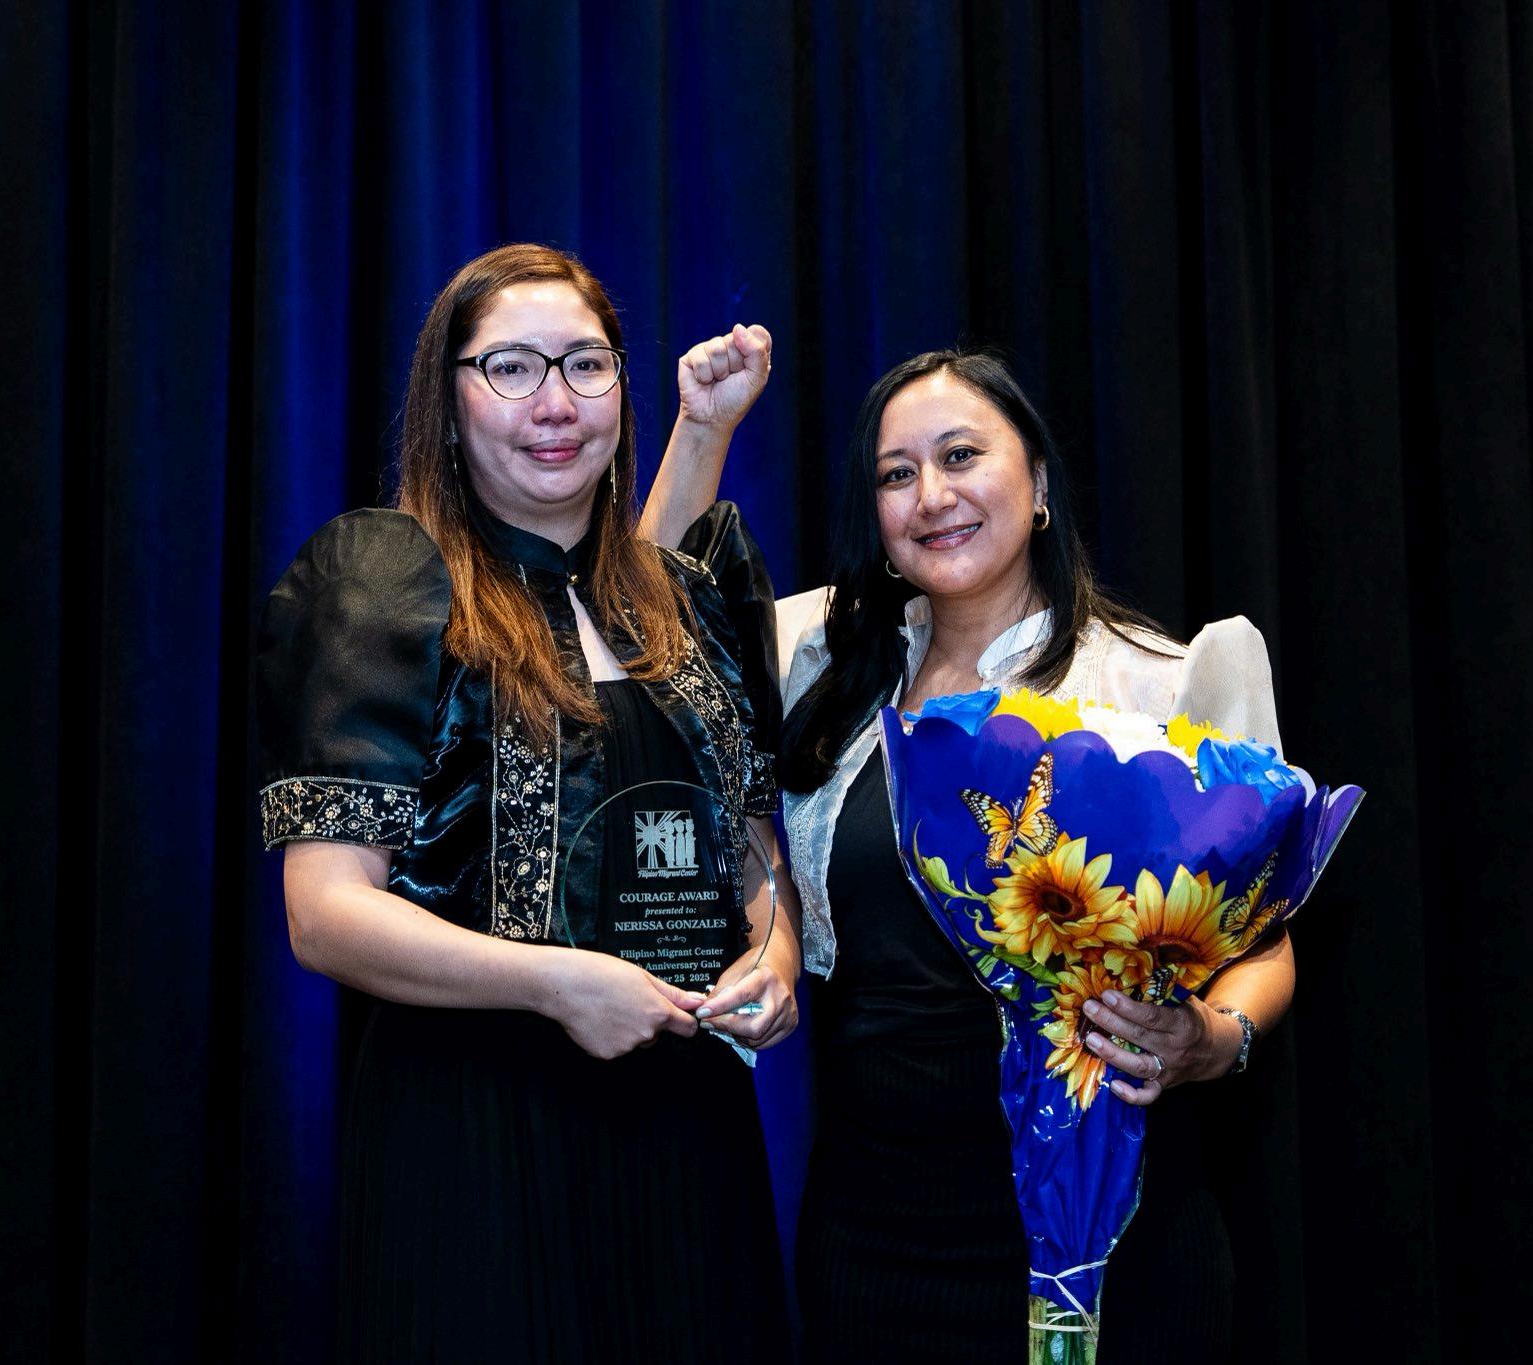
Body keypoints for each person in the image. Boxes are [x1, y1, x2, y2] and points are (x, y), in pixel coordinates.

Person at [650, 346, 1296, 1363]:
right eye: (895, 473)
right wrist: (702, 427)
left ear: (1037, 485)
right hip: (877, 1235)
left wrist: (1215, 1040)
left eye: (959, 456)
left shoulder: (1159, 685)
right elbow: (651, 622)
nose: (930, 496)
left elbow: (1265, 943)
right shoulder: (820, 660)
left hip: (1106, 1234)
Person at [254, 243, 801, 1363]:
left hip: (688, 1138)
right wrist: (556, 982)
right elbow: (324, 915)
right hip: (475, 1140)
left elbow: (749, 850)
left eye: (585, 365)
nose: (554, 402)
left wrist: (776, 955)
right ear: (448, 403)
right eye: (510, 367)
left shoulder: (680, 604)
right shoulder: (388, 583)